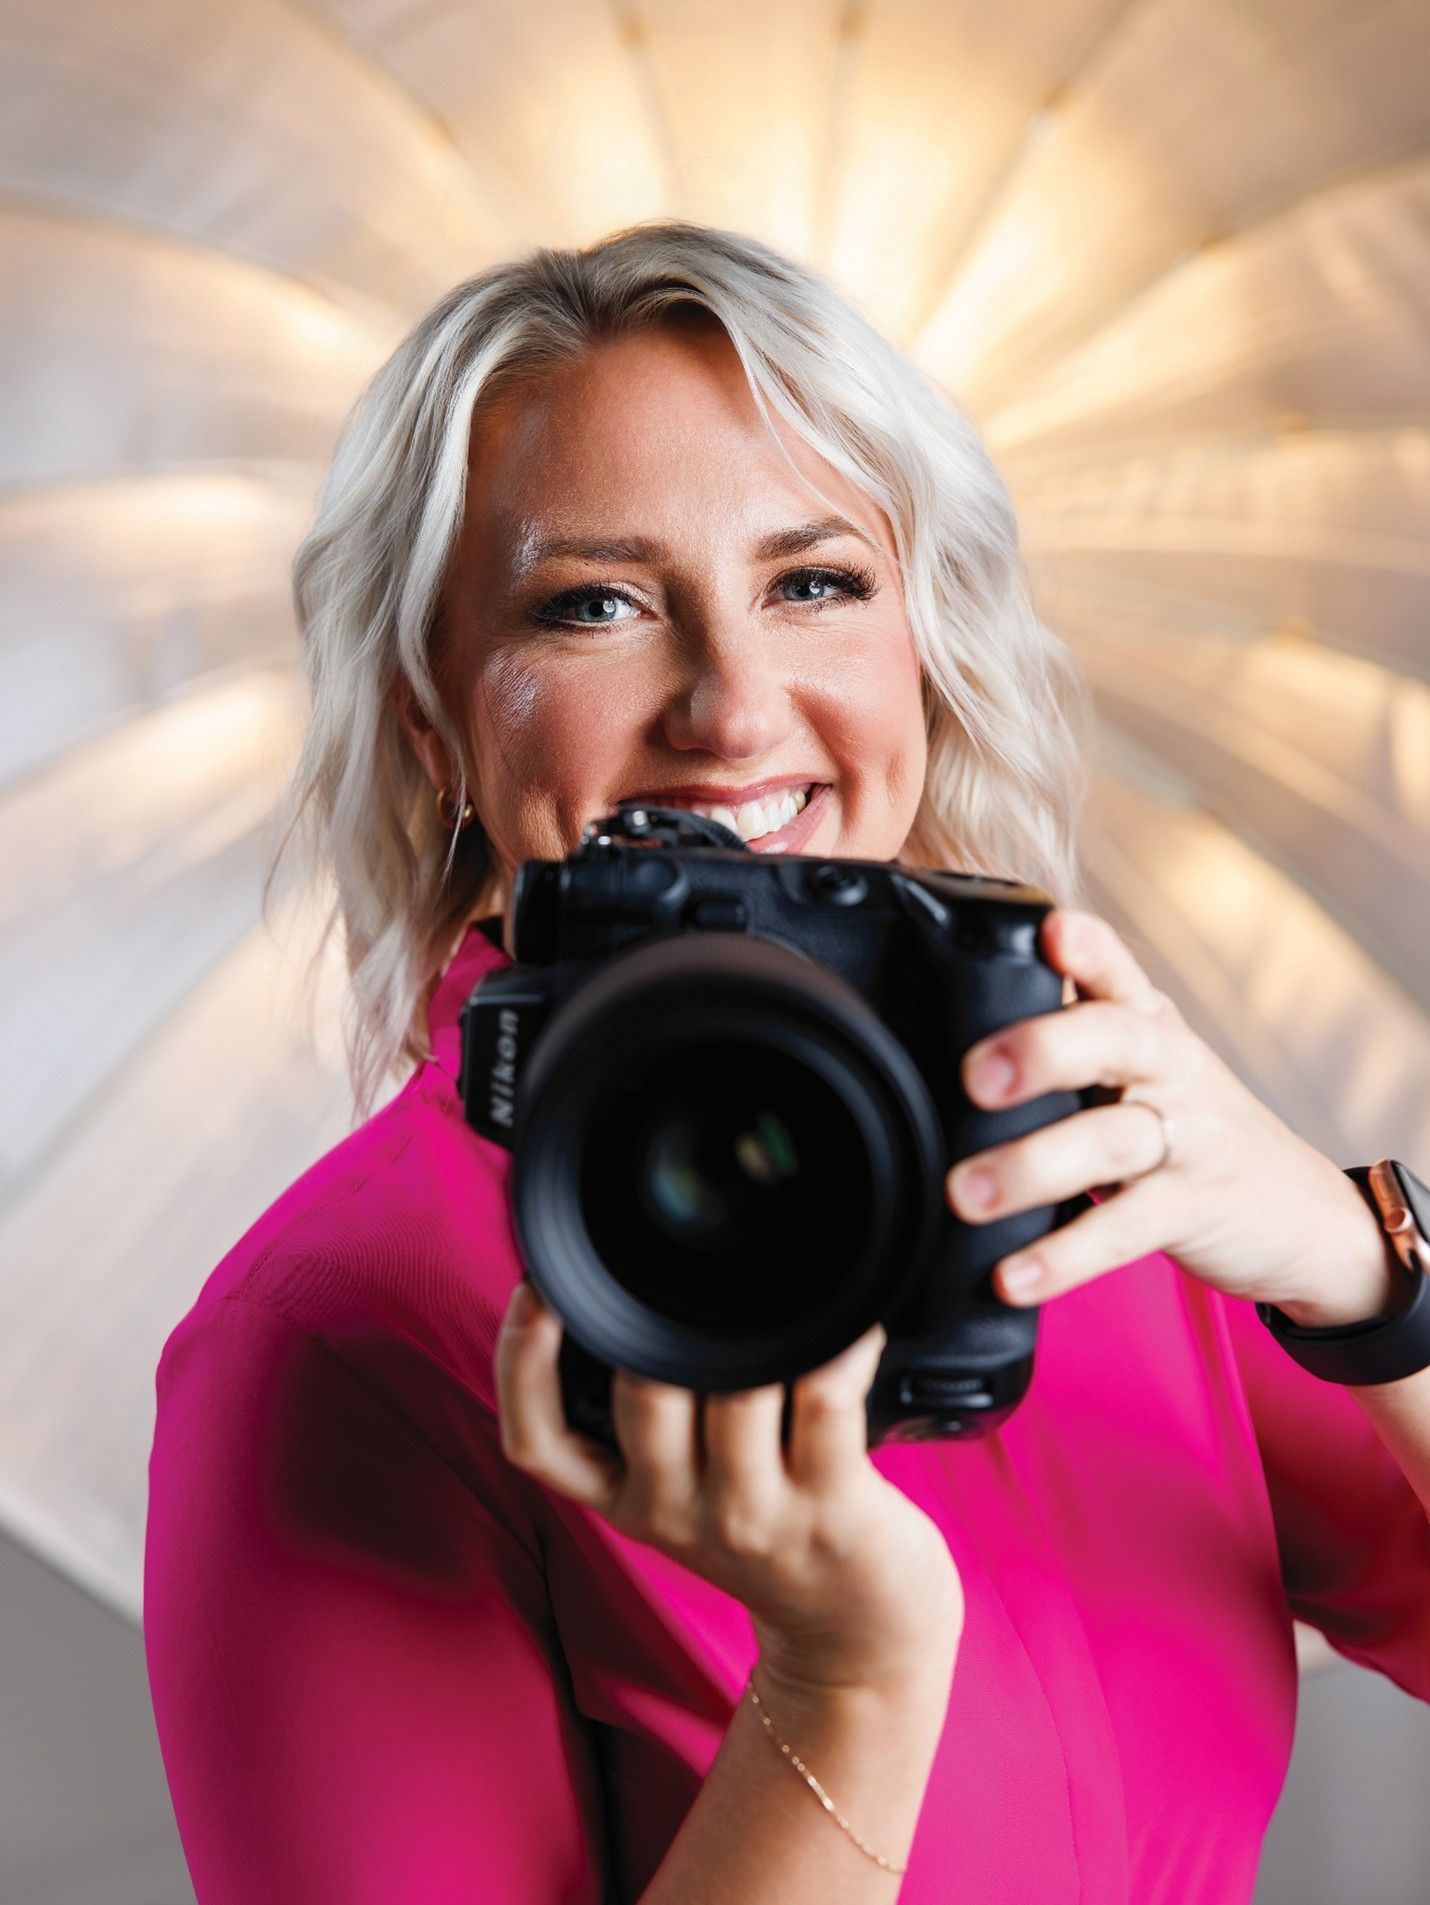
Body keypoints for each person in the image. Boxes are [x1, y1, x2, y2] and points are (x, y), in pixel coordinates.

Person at [142, 220, 1430, 1905]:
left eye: (813, 580)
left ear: (922, 638)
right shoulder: (331, 1344)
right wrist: (845, 1677)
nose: (734, 710)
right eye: (593, 603)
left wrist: (1359, 1265)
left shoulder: (1083, 1151)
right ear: (434, 718)